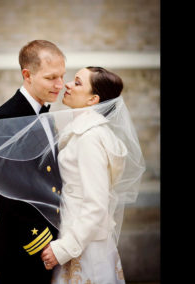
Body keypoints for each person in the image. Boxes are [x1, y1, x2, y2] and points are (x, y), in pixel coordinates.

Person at [40, 67, 139, 283]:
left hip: (85, 249)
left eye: (77, 82)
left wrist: (63, 248)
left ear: (93, 99)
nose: (67, 84)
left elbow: (96, 205)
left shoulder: (89, 139)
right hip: (83, 239)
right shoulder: (85, 133)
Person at [0, 40, 66, 284]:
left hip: (48, 236)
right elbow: (10, 190)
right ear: (27, 75)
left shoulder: (43, 113)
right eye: (51, 77)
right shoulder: (6, 118)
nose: (60, 85)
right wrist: (42, 242)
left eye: (62, 76)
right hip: (23, 242)